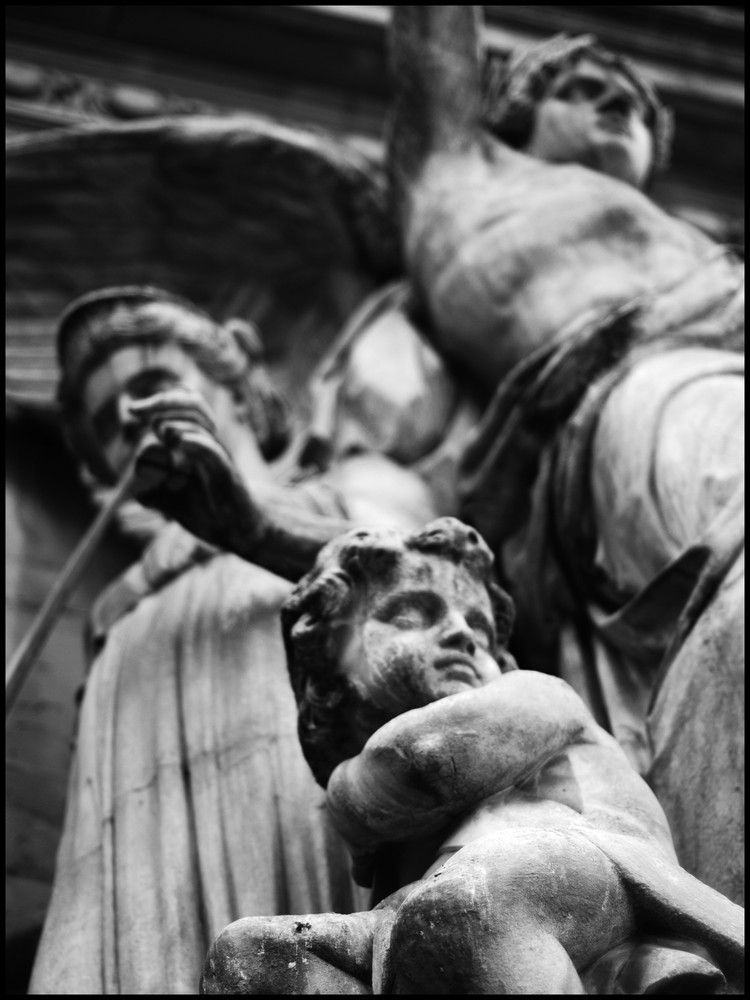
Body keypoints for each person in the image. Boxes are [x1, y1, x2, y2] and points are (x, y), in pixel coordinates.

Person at [385, 7, 744, 903]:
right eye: (583, 90)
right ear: (516, 110)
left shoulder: (688, 242)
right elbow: (431, 43)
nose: (615, 106)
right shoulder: (461, 174)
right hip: (658, 397)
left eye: (631, 101)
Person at [28, 285, 469, 994]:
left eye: (152, 384)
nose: (130, 421)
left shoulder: (347, 487)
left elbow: (434, 581)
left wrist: (252, 525)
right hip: (132, 852)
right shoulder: (114, 603)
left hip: (286, 784)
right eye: (107, 421)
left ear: (235, 389)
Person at [201, 517, 744, 995]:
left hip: (588, 878)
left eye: (479, 628)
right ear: (334, 667)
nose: (462, 634)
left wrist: (350, 791)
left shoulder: (541, 695)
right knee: (253, 957)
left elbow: (424, 760)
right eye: (414, 612)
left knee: (459, 912)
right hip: (425, 915)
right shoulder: (390, 836)